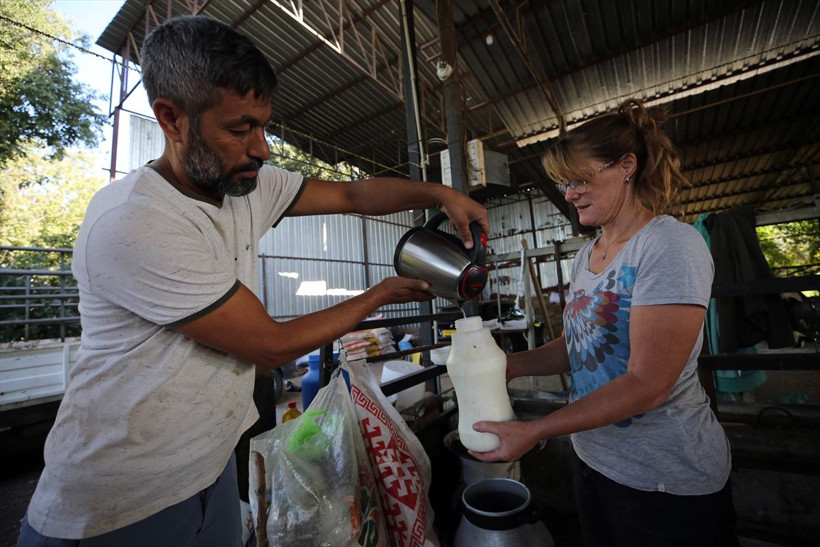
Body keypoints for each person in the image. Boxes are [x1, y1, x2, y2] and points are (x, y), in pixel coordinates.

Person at [17, 15, 488, 547]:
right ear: (171, 119)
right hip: (120, 501)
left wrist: (439, 195)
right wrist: (380, 295)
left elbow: (351, 196)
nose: (261, 148)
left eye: (263, 125)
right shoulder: (136, 221)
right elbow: (271, 344)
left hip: (208, 470)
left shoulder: (246, 185)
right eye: (240, 129)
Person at [469, 99, 739, 546]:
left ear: (627, 166)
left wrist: (535, 430)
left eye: (580, 178)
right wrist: (508, 366)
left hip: (663, 478)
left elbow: (649, 384)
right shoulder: (585, 254)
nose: (569, 193)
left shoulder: (669, 245)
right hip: (594, 458)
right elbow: (576, 344)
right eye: (563, 182)